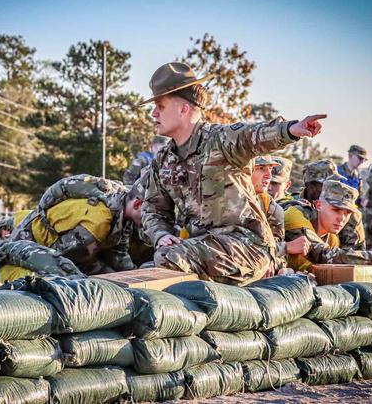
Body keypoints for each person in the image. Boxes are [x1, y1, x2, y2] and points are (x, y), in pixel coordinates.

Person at [140, 61, 327, 286]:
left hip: (248, 245)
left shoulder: (219, 140)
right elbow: (153, 210)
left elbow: (253, 135)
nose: (153, 113)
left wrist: (290, 130)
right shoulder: (162, 161)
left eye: (159, 106)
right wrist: (161, 235)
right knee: (149, 270)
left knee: (169, 260)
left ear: (183, 108)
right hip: (205, 248)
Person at [9, 174, 146, 275]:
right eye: (152, 213)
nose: (153, 219)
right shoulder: (98, 221)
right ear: (137, 204)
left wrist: (136, 276)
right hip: (31, 242)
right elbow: (63, 256)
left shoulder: (125, 214)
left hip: (63, 248)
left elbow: (118, 253)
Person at [284, 180, 372, 271]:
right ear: (318, 205)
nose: (341, 219)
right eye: (336, 210)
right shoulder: (295, 215)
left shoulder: (333, 239)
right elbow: (322, 254)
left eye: (347, 213)